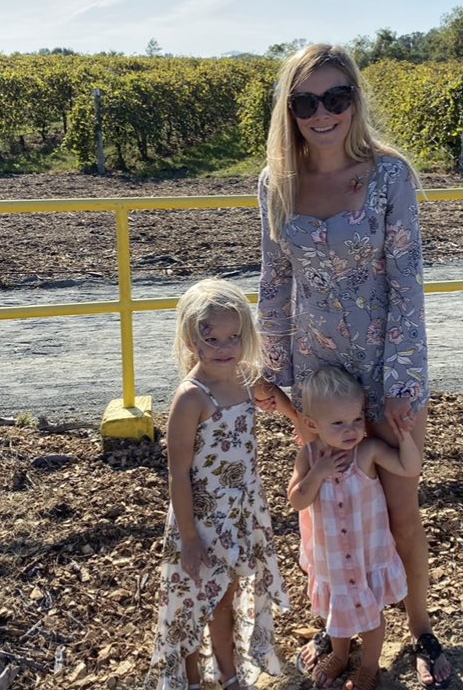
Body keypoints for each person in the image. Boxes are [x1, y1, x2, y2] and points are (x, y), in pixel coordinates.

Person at [258, 43, 453, 688]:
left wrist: (402, 384)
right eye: (306, 101)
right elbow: (275, 282)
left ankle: (421, 629)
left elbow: (407, 282)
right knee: (324, 508)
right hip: (319, 383)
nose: (323, 113)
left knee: (399, 510)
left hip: (384, 369)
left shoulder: (390, 176)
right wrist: (273, 377)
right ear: (290, 110)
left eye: (336, 97)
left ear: (355, 101)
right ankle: (339, 625)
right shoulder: (276, 184)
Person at [145, 278, 293, 690]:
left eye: (234, 337)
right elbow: (178, 473)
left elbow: (269, 391)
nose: (225, 348)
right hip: (202, 517)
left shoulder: (243, 378)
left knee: (225, 594)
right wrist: (190, 538)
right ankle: (191, 676)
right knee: (192, 599)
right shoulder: (191, 398)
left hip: (240, 511)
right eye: (212, 339)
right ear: (191, 341)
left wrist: (299, 421)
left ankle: (228, 673)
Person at [288, 366, 422, 690]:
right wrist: (318, 473)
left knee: (371, 613)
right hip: (333, 558)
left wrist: (405, 437)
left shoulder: (367, 452)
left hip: (367, 556)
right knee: (338, 611)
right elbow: (297, 500)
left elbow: (409, 467)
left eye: (357, 420)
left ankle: (370, 666)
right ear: (312, 425)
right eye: (338, 423)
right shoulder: (308, 456)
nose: (351, 430)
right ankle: (340, 654)